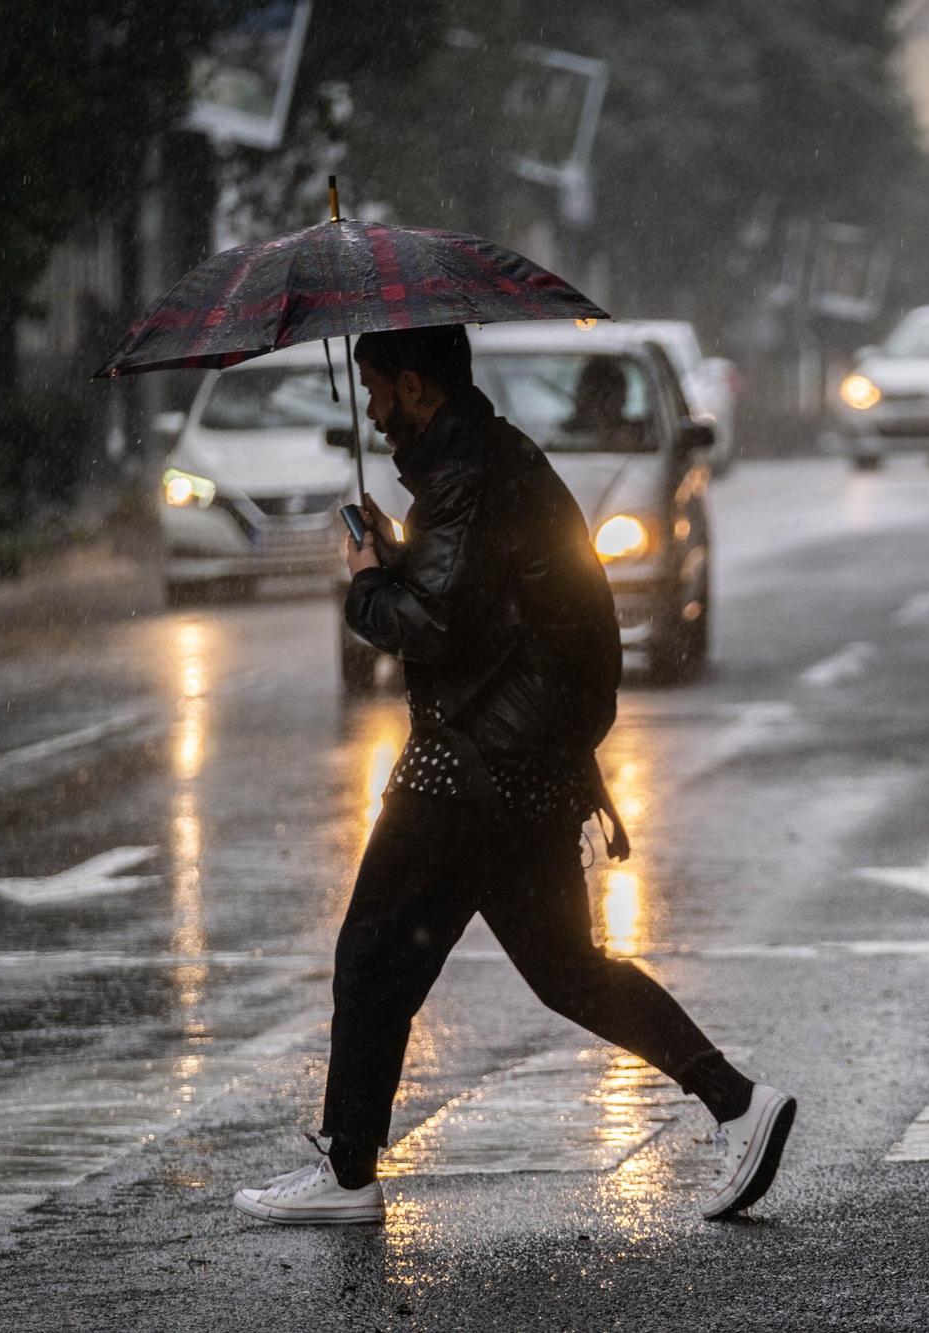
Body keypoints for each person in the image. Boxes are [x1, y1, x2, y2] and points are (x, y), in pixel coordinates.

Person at [233, 325, 795, 1225]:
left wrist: (369, 575)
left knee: (374, 953)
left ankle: (347, 1175)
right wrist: (404, 549)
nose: (372, 413)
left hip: (472, 765)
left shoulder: (468, 475)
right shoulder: (487, 464)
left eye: (378, 391)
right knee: (565, 968)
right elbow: (480, 595)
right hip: (523, 763)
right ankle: (738, 1101)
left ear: (416, 387)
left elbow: (432, 624)